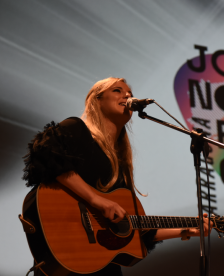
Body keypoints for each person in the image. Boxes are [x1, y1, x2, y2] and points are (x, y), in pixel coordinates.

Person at [22, 77, 212, 276]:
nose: (127, 95)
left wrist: (187, 229)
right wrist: (97, 200)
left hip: (104, 266)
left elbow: (136, 229)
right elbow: (46, 154)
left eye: (129, 93)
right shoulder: (77, 129)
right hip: (68, 254)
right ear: (97, 100)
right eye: (117, 90)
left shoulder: (121, 163)